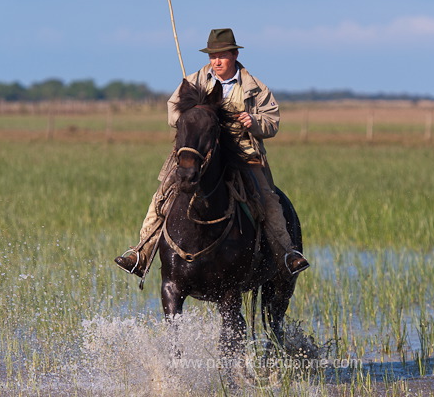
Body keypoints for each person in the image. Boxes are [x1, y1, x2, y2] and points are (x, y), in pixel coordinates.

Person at [115, 28, 309, 279]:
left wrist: (254, 121)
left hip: (243, 154)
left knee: (268, 200)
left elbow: (272, 122)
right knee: (162, 195)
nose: (216, 62)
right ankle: (141, 253)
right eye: (212, 56)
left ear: (235, 55)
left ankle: (286, 254)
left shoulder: (255, 88)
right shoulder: (194, 81)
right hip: (200, 154)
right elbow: (173, 112)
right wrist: (190, 115)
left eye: (222, 56)